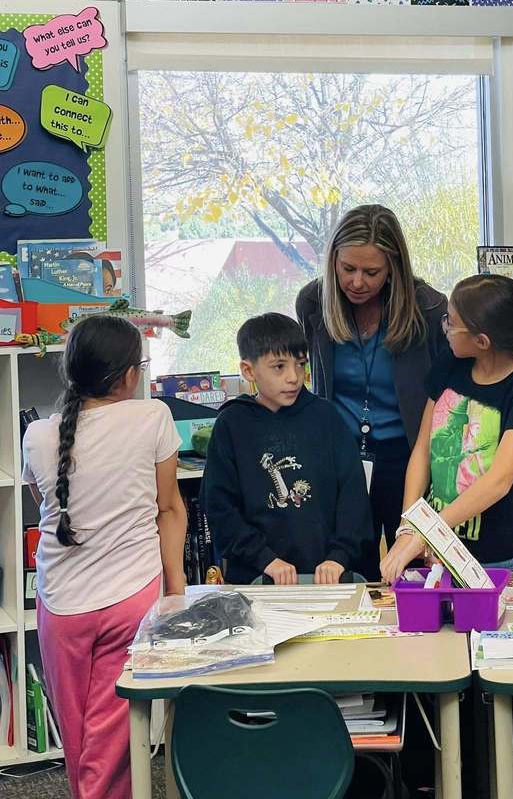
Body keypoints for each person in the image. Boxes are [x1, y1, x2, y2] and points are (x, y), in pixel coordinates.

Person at [21, 316, 187, 799]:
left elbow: (46, 504)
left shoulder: (38, 436)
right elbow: (170, 507)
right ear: (128, 375)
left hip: (61, 602)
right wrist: (174, 588)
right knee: (111, 740)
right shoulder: (152, 417)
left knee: (77, 741)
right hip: (131, 596)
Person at [380, 274, 513, 583]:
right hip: (436, 550)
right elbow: (423, 451)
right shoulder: (450, 364)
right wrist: (408, 527)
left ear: (481, 341)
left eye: (451, 323)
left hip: (497, 557)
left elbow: (499, 481)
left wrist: (425, 532)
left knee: (488, 631)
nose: (445, 329)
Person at [296, 204, 447, 559]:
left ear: (394, 268)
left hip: (407, 458)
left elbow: (447, 395)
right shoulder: (312, 303)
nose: (357, 282)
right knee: (348, 560)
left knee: (410, 562)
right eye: (348, 268)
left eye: (372, 271)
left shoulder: (429, 308)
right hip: (343, 456)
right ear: (333, 259)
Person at [202, 313, 373, 585]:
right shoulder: (231, 424)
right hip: (257, 579)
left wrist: (339, 556)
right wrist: (265, 559)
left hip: (329, 578)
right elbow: (220, 509)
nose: (294, 377)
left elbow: (353, 497)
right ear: (248, 371)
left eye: (300, 364)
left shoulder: (326, 417)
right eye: (279, 367)